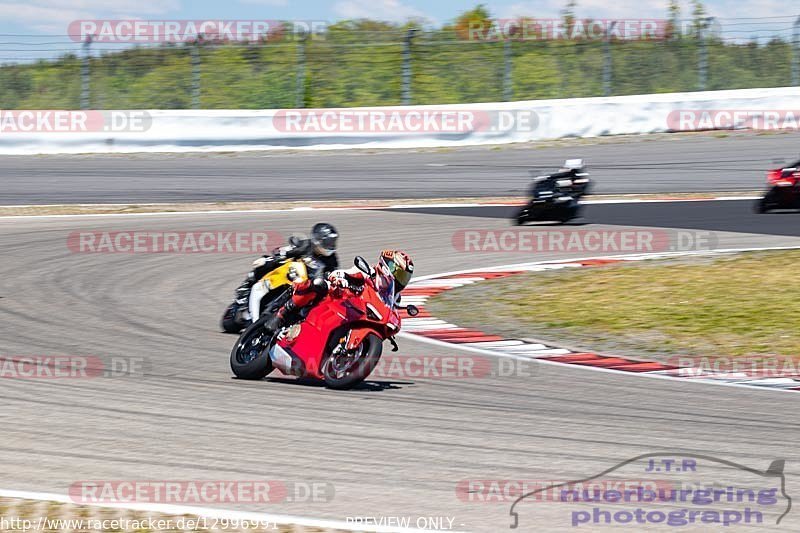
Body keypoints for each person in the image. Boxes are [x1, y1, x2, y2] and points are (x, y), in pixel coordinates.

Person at [264, 249, 414, 333]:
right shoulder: (369, 272)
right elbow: (344, 273)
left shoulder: (394, 298)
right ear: (387, 265)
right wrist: (340, 278)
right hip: (337, 298)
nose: (401, 280)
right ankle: (281, 314)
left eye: (405, 277)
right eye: (399, 274)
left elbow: (390, 314)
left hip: (354, 316)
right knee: (319, 284)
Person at [234, 222, 340, 306]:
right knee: (266, 262)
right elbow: (284, 251)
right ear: (318, 240)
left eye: (333, 242)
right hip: (290, 272)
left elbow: (332, 275)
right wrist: (279, 255)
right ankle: (246, 287)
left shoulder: (332, 259)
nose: (331, 245)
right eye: (328, 242)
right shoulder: (306, 245)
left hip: (307, 285)